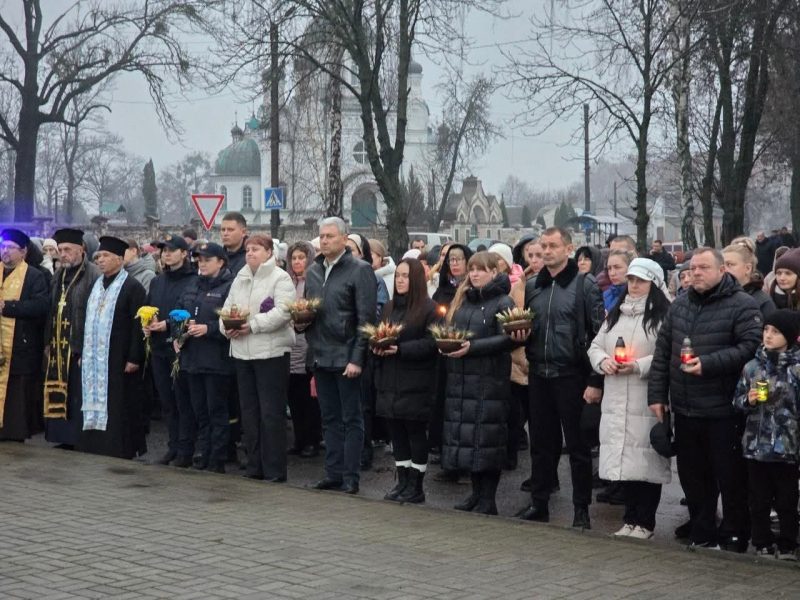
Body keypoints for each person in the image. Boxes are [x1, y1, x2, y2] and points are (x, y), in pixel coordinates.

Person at [648, 247, 762, 551]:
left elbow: (751, 346)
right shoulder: (680, 304)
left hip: (724, 409)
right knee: (693, 478)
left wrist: (708, 363)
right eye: (692, 267)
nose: (695, 272)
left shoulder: (742, 305)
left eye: (703, 268)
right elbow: (663, 353)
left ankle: (735, 533)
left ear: (722, 270)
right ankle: (702, 529)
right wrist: (657, 395)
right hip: (686, 408)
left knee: (729, 477)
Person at [517, 227, 604, 529]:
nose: (546, 251)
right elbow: (528, 325)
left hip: (571, 374)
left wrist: (595, 379)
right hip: (539, 374)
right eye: (543, 246)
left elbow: (597, 334)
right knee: (541, 443)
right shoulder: (533, 286)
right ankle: (539, 502)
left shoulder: (584, 285)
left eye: (553, 246)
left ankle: (581, 509)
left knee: (578, 447)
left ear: (569, 248)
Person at [588, 258, 672, 540]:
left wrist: (638, 365)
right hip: (616, 397)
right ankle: (630, 518)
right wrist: (603, 363)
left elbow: (665, 354)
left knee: (646, 463)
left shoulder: (662, 316)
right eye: (632, 280)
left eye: (641, 281)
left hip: (644, 397)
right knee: (626, 463)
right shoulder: (616, 314)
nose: (634, 286)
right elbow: (596, 345)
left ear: (654, 284)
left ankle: (645, 522)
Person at [304, 217, 377, 494]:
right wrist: (301, 323)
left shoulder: (360, 270)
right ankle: (333, 472)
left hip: (347, 356)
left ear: (345, 239)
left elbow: (366, 319)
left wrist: (357, 358)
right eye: (321, 236)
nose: (324, 241)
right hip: (321, 355)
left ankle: (351, 476)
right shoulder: (313, 271)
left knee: (352, 419)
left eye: (330, 236)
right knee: (329, 418)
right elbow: (311, 313)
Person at [441, 252, 516, 515]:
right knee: (468, 438)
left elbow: (509, 339)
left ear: (494, 272)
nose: (474, 274)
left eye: (480, 270)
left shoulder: (502, 301)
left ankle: (488, 498)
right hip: (462, 378)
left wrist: (473, 347)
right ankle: (475, 493)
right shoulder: (464, 300)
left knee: (488, 439)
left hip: (489, 381)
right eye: (471, 269)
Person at [222, 236, 295, 481]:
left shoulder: (280, 277)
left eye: (256, 249)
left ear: (268, 252)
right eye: (247, 250)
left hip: (271, 354)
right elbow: (227, 309)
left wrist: (252, 326)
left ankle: (274, 469)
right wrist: (227, 328)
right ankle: (254, 466)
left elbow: (283, 312)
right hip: (242, 353)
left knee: (271, 413)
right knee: (249, 412)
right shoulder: (240, 278)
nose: (250, 253)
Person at [734, 309, 800, 560]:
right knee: (758, 499)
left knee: (786, 499)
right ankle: (761, 540)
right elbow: (736, 401)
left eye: (776, 332)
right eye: (766, 330)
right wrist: (747, 400)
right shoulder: (752, 366)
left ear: (790, 336)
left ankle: (787, 544)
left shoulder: (796, 369)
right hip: (755, 445)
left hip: (786, 446)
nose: (768, 336)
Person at [373, 258, 440, 503]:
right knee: (397, 434)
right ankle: (402, 481)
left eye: (405, 276)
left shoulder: (429, 308)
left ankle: (416, 485)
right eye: (398, 275)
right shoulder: (390, 307)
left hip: (416, 382)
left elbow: (432, 344)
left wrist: (401, 349)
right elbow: (380, 334)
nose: (400, 280)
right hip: (390, 382)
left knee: (414, 433)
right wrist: (377, 346)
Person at [78, 236, 147, 459]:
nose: (100, 261)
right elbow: (86, 319)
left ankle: (120, 446)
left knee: (120, 402)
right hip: (95, 357)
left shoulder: (132, 287)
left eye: (106, 256)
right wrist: (82, 351)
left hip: (119, 355)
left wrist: (134, 357)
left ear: (119, 259)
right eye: (98, 256)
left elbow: (139, 326)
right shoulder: (96, 285)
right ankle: (94, 443)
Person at [177, 242, 234, 473]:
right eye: (199, 260)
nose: (202, 264)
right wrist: (179, 331)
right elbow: (180, 310)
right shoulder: (193, 284)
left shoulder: (229, 287)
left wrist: (208, 329)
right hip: (192, 358)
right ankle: (204, 451)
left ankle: (217, 458)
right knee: (199, 410)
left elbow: (232, 319)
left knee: (216, 410)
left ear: (220, 262)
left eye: (207, 260)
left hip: (217, 360)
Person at [44, 229, 102, 448]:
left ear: (81, 249)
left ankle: (79, 438)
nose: (63, 254)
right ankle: (61, 436)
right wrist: (47, 341)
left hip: (79, 343)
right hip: (58, 341)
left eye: (68, 250)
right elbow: (51, 309)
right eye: (60, 250)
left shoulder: (94, 274)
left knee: (77, 391)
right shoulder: (58, 275)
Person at [143, 235, 197, 465]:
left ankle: (186, 449)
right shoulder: (158, 281)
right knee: (167, 402)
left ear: (184, 253)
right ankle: (173, 445)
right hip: (158, 348)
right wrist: (147, 324)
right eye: (163, 250)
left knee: (182, 401)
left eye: (172, 250)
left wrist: (167, 324)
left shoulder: (193, 280)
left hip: (181, 347)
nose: (166, 253)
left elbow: (191, 311)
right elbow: (150, 306)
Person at [0, 229, 49, 441]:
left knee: (16, 392)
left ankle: (12, 432)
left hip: (20, 343)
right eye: (2, 247)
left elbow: (40, 306)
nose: (5, 252)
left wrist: (8, 307)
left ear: (23, 251)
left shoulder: (34, 276)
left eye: (10, 248)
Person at [286, 241, 322, 458]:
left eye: (301, 257)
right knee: (294, 397)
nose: (297, 262)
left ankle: (312, 440)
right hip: (290, 346)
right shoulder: (287, 281)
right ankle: (299, 439)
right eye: (294, 258)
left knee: (309, 398)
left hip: (308, 346)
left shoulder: (314, 281)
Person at [723, 242, 776, 317]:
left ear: (748, 268)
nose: (724, 270)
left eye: (730, 264)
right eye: (722, 265)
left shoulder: (763, 302)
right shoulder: (715, 297)